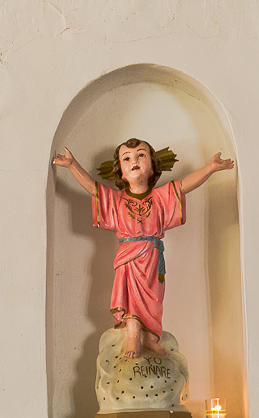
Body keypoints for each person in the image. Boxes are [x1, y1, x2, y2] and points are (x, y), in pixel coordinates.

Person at [53, 139, 235, 359]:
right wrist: (73, 165)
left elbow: (186, 185)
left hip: (153, 255)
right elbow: (93, 188)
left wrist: (210, 168)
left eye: (141, 155)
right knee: (129, 297)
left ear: (153, 165)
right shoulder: (117, 199)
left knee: (154, 299)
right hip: (128, 256)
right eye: (127, 158)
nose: (134, 161)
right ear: (120, 170)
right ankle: (132, 336)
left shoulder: (160, 197)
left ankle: (151, 337)